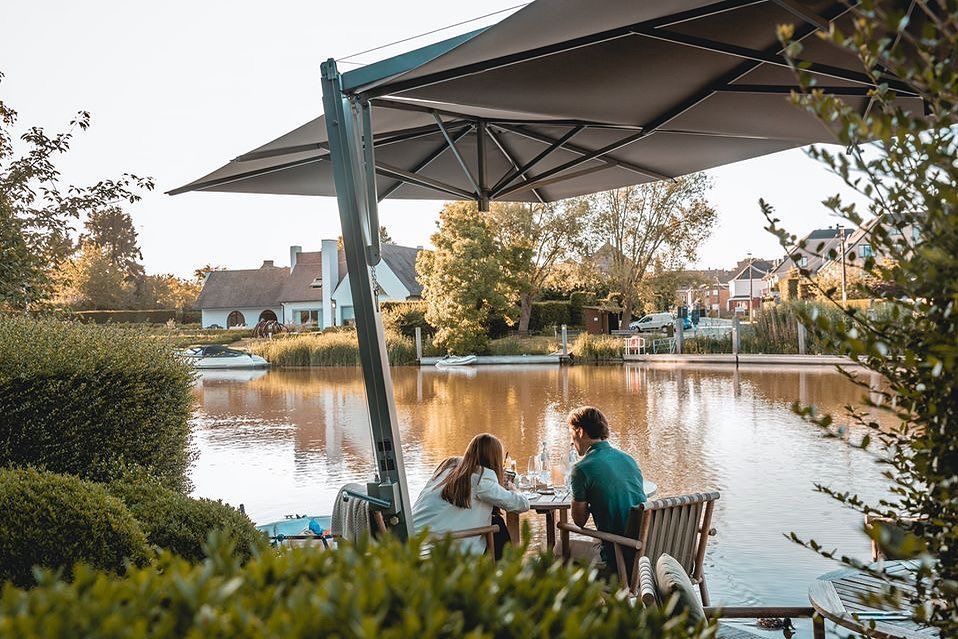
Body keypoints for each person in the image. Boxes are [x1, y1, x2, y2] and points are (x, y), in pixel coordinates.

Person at [413, 434, 529, 557]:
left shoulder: (445, 472)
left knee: (495, 520)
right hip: (442, 551)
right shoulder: (482, 480)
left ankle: (503, 570)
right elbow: (522, 504)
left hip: (411, 544)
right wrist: (513, 489)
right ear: (495, 461)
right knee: (497, 526)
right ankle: (506, 570)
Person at [566, 406, 646, 568]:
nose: (571, 441)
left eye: (571, 434)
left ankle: (576, 593)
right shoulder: (628, 459)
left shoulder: (581, 469)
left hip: (617, 556)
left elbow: (579, 521)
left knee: (560, 547)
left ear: (580, 432)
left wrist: (585, 495)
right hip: (643, 550)